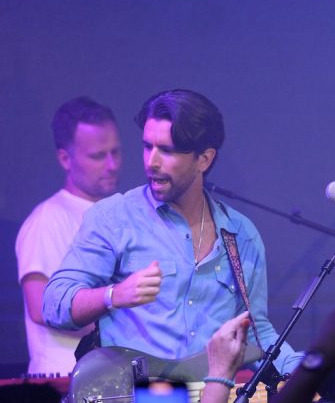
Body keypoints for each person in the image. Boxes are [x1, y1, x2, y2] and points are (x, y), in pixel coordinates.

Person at [42, 89, 302, 373]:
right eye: (147, 146)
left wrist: (307, 372)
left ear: (204, 158)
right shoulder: (114, 218)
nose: (151, 162)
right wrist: (113, 295)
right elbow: (55, 305)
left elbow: (256, 331)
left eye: (166, 150)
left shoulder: (241, 234)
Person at [16, 97, 122, 375]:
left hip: (111, 383)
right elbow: (41, 308)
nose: (111, 164)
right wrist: (123, 308)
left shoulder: (121, 215)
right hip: (65, 386)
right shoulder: (47, 220)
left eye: (116, 152)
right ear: (65, 158)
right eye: (99, 155)